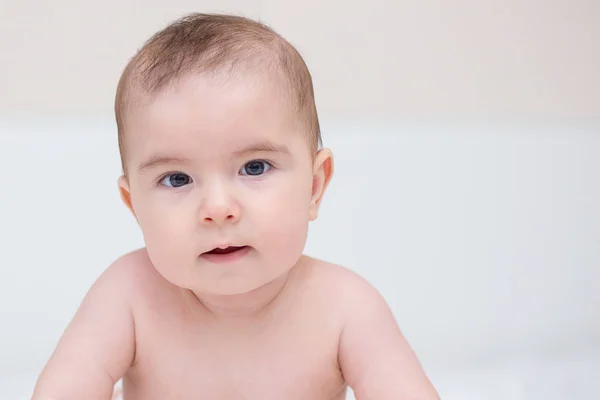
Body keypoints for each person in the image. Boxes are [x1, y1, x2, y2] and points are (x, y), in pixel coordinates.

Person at [32, 12, 439, 400]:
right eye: (177, 179)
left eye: (255, 167)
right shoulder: (128, 295)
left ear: (314, 186)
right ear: (135, 206)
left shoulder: (345, 308)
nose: (218, 208)